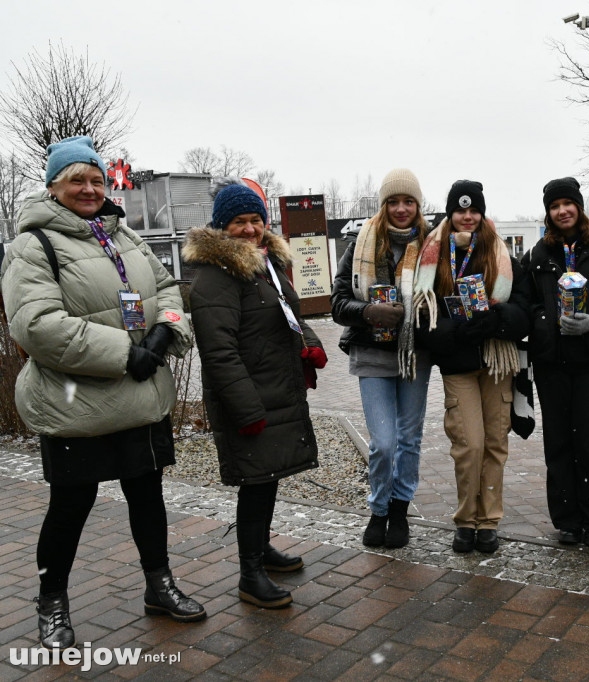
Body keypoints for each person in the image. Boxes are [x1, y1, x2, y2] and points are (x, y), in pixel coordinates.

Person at [0, 136, 204, 647]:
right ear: (53, 186)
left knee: (148, 498)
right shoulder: (34, 245)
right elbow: (36, 325)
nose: (90, 188)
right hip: (77, 405)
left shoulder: (124, 235)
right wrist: (124, 352)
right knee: (70, 508)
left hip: (141, 399)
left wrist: (163, 334)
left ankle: (160, 585)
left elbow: (169, 291)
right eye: (77, 180)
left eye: (96, 179)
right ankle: (52, 603)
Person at [184, 180, 326, 609]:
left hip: (275, 390)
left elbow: (287, 312)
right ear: (222, 227)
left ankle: (261, 551)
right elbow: (219, 351)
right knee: (255, 484)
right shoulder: (216, 276)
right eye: (239, 222)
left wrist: (310, 341)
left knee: (268, 479)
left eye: (256, 220)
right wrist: (246, 409)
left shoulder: (266, 263)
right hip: (250, 399)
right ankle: (250, 575)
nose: (249, 229)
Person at [412, 180, 529, 553]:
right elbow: (421, 310)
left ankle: (488, 521)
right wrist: (452, 332)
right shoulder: (433, 251)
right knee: (469, 444)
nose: (467, 216)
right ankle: (465, 519)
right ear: (451, 212)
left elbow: (524, 306)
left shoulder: (500, 249)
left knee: (495, 442)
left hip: (497, 361)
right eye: (460, 210)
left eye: (473, 210)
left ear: (481, 212)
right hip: (458, 364)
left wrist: (497, 319)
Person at [330, 168, 431, 549]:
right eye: (393, 201)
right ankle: (379, 508)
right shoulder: (360, 244)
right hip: (372, 353)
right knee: (384, 442)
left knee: (409, 438)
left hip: (413, 355)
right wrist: (369, 312)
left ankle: (400, 510)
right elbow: (337, 303)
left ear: (418, 205)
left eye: (408, 201)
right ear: (383, 205)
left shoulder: (430, 245)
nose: (401, 208)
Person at [522, 177, 589, 547]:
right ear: (548, 213)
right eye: (554, 205)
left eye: (568, 203)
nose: (562, 211)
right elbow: (528, 302)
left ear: (579, 207)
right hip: (552, 362)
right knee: (559, 443)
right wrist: (544, 324)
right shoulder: (538, 255)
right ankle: (567, 520)